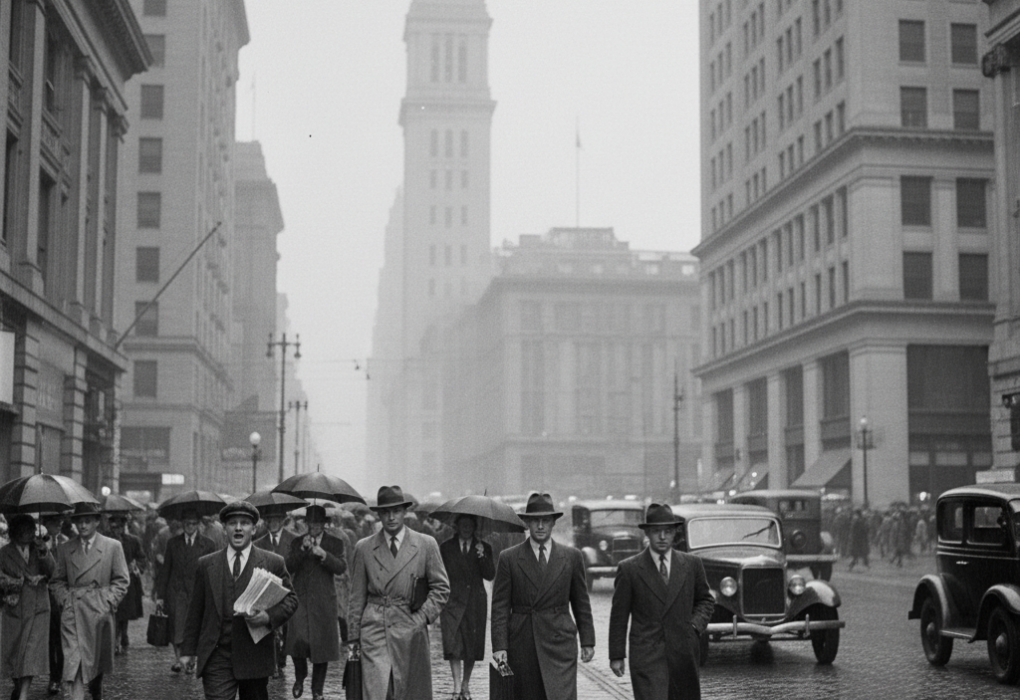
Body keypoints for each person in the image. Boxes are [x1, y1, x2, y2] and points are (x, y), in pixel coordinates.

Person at [180, 501, 299, 700]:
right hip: (216, 655)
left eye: (244, 523)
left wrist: (268, 617)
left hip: (255, 656)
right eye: (232, 523)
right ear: (225, 528)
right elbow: (196, 611)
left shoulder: (272, 562)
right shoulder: (206, 564)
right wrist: (187, 651)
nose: (238, 528)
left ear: (253, 529)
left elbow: (291, 599)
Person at [348, 485, 450, 700]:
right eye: (385, 512)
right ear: (379, 515)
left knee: (409, 691)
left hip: (410, 628)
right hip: (374, 629)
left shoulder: (425, 544)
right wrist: (353, 642)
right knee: (377, 691)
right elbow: (357, 598)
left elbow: (441, 588)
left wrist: (421, 618)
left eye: (396, 511)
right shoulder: (364, 548)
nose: (391, 517)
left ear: (405, 512)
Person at [490, 492, 595, 700]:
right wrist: (500, 646)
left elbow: (581, 603)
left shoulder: (571, 557)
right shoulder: (509, 558)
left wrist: (588, 641)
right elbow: (500, 606)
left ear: (553, 523)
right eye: (535, 520)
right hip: (523, 643)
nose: (540, 526)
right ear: (527, 523)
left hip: (560, 644)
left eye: (545, 520)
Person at [608, 503, 715, 700]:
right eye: (656, 531)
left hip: (683, 654)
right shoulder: (630, 569)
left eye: (668, 531)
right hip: (647, 654)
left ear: (675, 533)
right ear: (647, 534)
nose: (663, 537)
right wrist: (616, 655)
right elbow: (619, 615)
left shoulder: (691, 565)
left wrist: (693, 626)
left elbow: (706, 600)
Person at [49, 502, 129, 700]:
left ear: (96, 523)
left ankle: (96, 691)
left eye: (87, 521)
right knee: (73, 661)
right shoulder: (66, 548)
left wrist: (107, 602)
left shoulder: (112, 547)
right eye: (79, 522)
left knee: (95, 664)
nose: (82, 526)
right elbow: (56, 581)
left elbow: (121, 580)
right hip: (73, 612)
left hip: (99, 613)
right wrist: (65, 600)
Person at [284, 505, 347, 700]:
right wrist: (303, 550)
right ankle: (300, 677)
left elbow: (341, 567)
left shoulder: (335, 543)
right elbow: (289, 566)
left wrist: (324, 555)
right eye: (311, 523)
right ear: (306, 523)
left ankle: (317, 689)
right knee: (298, 639)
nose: (314, 527)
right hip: (301, 598)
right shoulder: (297, 542)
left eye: (318, 523)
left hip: (323, 600)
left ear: (324, 525)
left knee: (322, 647)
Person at [439, 514, 494, 700]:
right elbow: (439, 574)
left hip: (474, 603)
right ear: (456, 526)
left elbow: (489, 575)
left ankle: (465, 684)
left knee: (471, 646)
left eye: (470, 525)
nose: (466, 528)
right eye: (463, 525)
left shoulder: (485, 548)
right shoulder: (445, 548)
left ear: (475, 527)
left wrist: (482, 556)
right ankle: (456, 686)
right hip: (452, 602)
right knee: (453, 644)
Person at [1, 514, 56, 700]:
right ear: (15, 531)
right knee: (14, 654)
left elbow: (54, 572)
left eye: (31, 530)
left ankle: (24, 694)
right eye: (24, 530)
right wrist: (16, 581)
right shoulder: (4, 552)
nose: (28, 534)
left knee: (31, 654)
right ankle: (18, 686)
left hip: (38, 608)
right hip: (14, 610)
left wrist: (44, 553)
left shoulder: (39, 549)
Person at [155, 510, 218, 672]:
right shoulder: (173, 543)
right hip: (176, 591)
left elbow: (213, 571)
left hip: (198, 592)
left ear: (199, 525)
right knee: (177, 626)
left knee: (195, 626)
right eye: (187, 524)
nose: (190, 527)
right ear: (182, 524)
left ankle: (191, 660)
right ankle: (178, 659)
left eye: (193, 523)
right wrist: (160, 596)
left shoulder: (208, 544)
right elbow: (165, 570)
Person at [253, 511, 297, 676]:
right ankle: (275, 663)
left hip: (288, 590)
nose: (272, 523)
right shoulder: (258, 542)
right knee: (272, 627)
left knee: (286, 628)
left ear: (283, 520)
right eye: (269, 519)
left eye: (276, 519)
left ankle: (282, 657)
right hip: (267, 591)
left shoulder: (294, 540)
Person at [106, 514, 146, 654]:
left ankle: (123, 633)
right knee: (115, 610)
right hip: (111, 580)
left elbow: (142, 558)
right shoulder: (105, 541)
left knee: (125, 611)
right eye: (114, 527)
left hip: (129, 581)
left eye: (120, 527)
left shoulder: (133, 541)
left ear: (124, 527)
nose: (116, 530)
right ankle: (116, 639)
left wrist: (136, 566)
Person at [40, 514, 68, 696]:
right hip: (46, 595)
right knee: (51, 639)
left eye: (60, 522)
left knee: (64, 638)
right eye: (54, 523)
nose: (58, 525)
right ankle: (54, 677)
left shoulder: (67, 542)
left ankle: (64, 674)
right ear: (46, 524)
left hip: (64, 596)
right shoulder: (40, 544)